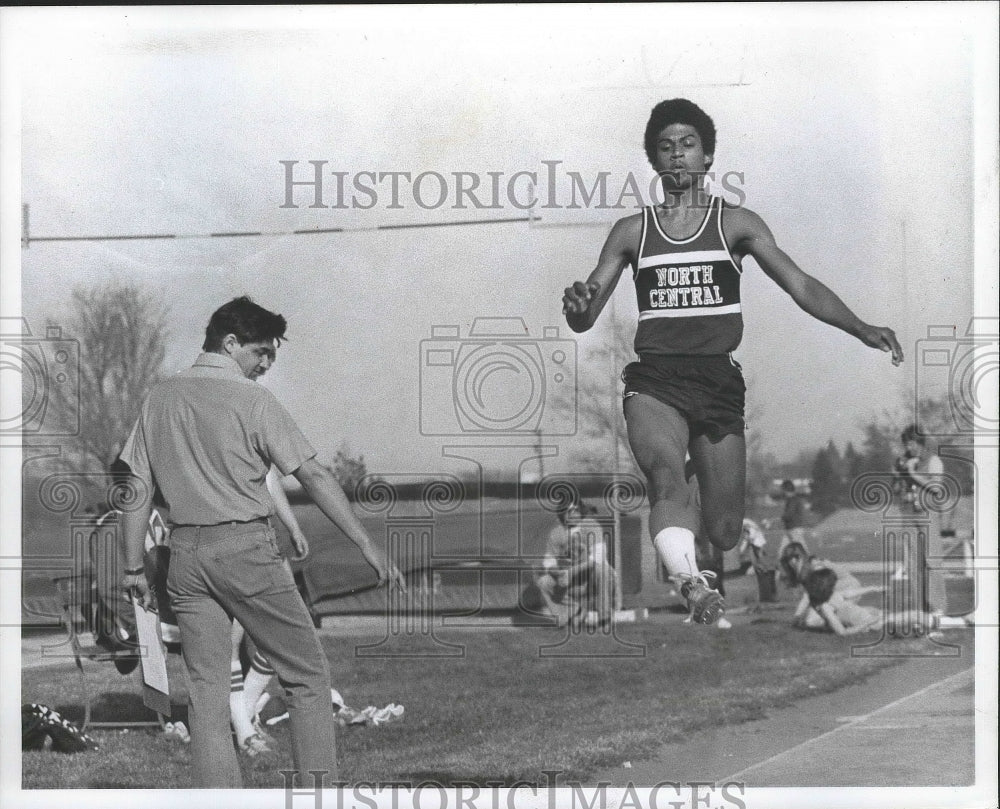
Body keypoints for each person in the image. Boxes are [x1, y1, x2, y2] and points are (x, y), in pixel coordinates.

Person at [562, 98, 903, 625]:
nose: (676, 156)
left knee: (723, 531)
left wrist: (859, 326)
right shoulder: (633, 232)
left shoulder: (736, 223)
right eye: (665, 148)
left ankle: (692, 503)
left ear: (707, 158)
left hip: (718, 381)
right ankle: (690, 582)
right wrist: (580, 311)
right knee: (663, 477)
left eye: (687, 145)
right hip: (655, 380)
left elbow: (801, 284)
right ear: (654, 162)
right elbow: (587, 313)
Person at [116, 296, 404, 788]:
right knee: (307, 675)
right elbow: (311, 472)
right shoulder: (253, 401)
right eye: (259, 353)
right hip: (246, 550)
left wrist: (132, 570)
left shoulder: (159, 398)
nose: (266, 364)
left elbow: (136, 488)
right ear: (229, 343)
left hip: (184, 557)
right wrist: (365, 544)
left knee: (206, 695)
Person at [533, 500, 616, 630]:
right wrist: (557, 573)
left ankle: (604, 618)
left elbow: (598, 558)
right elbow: (549, 561)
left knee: (602, 570)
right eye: (568, 511)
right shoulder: (557, 533)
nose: (572, 514)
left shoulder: (591, 526)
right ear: (562, 514)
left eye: (575, 510)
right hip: (571, 581)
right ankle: (572, 613)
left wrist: (570, 573)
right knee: (543, 581)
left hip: (594, 579)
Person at [895, 424, 947, 619]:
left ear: (919, 442)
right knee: (912, 563)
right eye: (906, 445)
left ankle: (937, 607)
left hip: (928, 512)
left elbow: (937, 488)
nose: (909, 448)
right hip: (909, 514)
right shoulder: (904, 461)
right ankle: (921, 608)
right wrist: (899, 477)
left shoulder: (933, 461)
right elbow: (897, 489)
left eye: (911, 444)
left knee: (932, 559)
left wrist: (913, 474)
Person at [778, 479, 807, 555]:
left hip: (795, 530)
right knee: (782, 552)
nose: (782, 492)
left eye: (782, 489)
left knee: (802, 552)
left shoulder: (793, 500)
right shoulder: (792, 500)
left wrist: (773, 520)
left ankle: (814, 564)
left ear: (786, 489)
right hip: (790, 530)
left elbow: (789, 515)